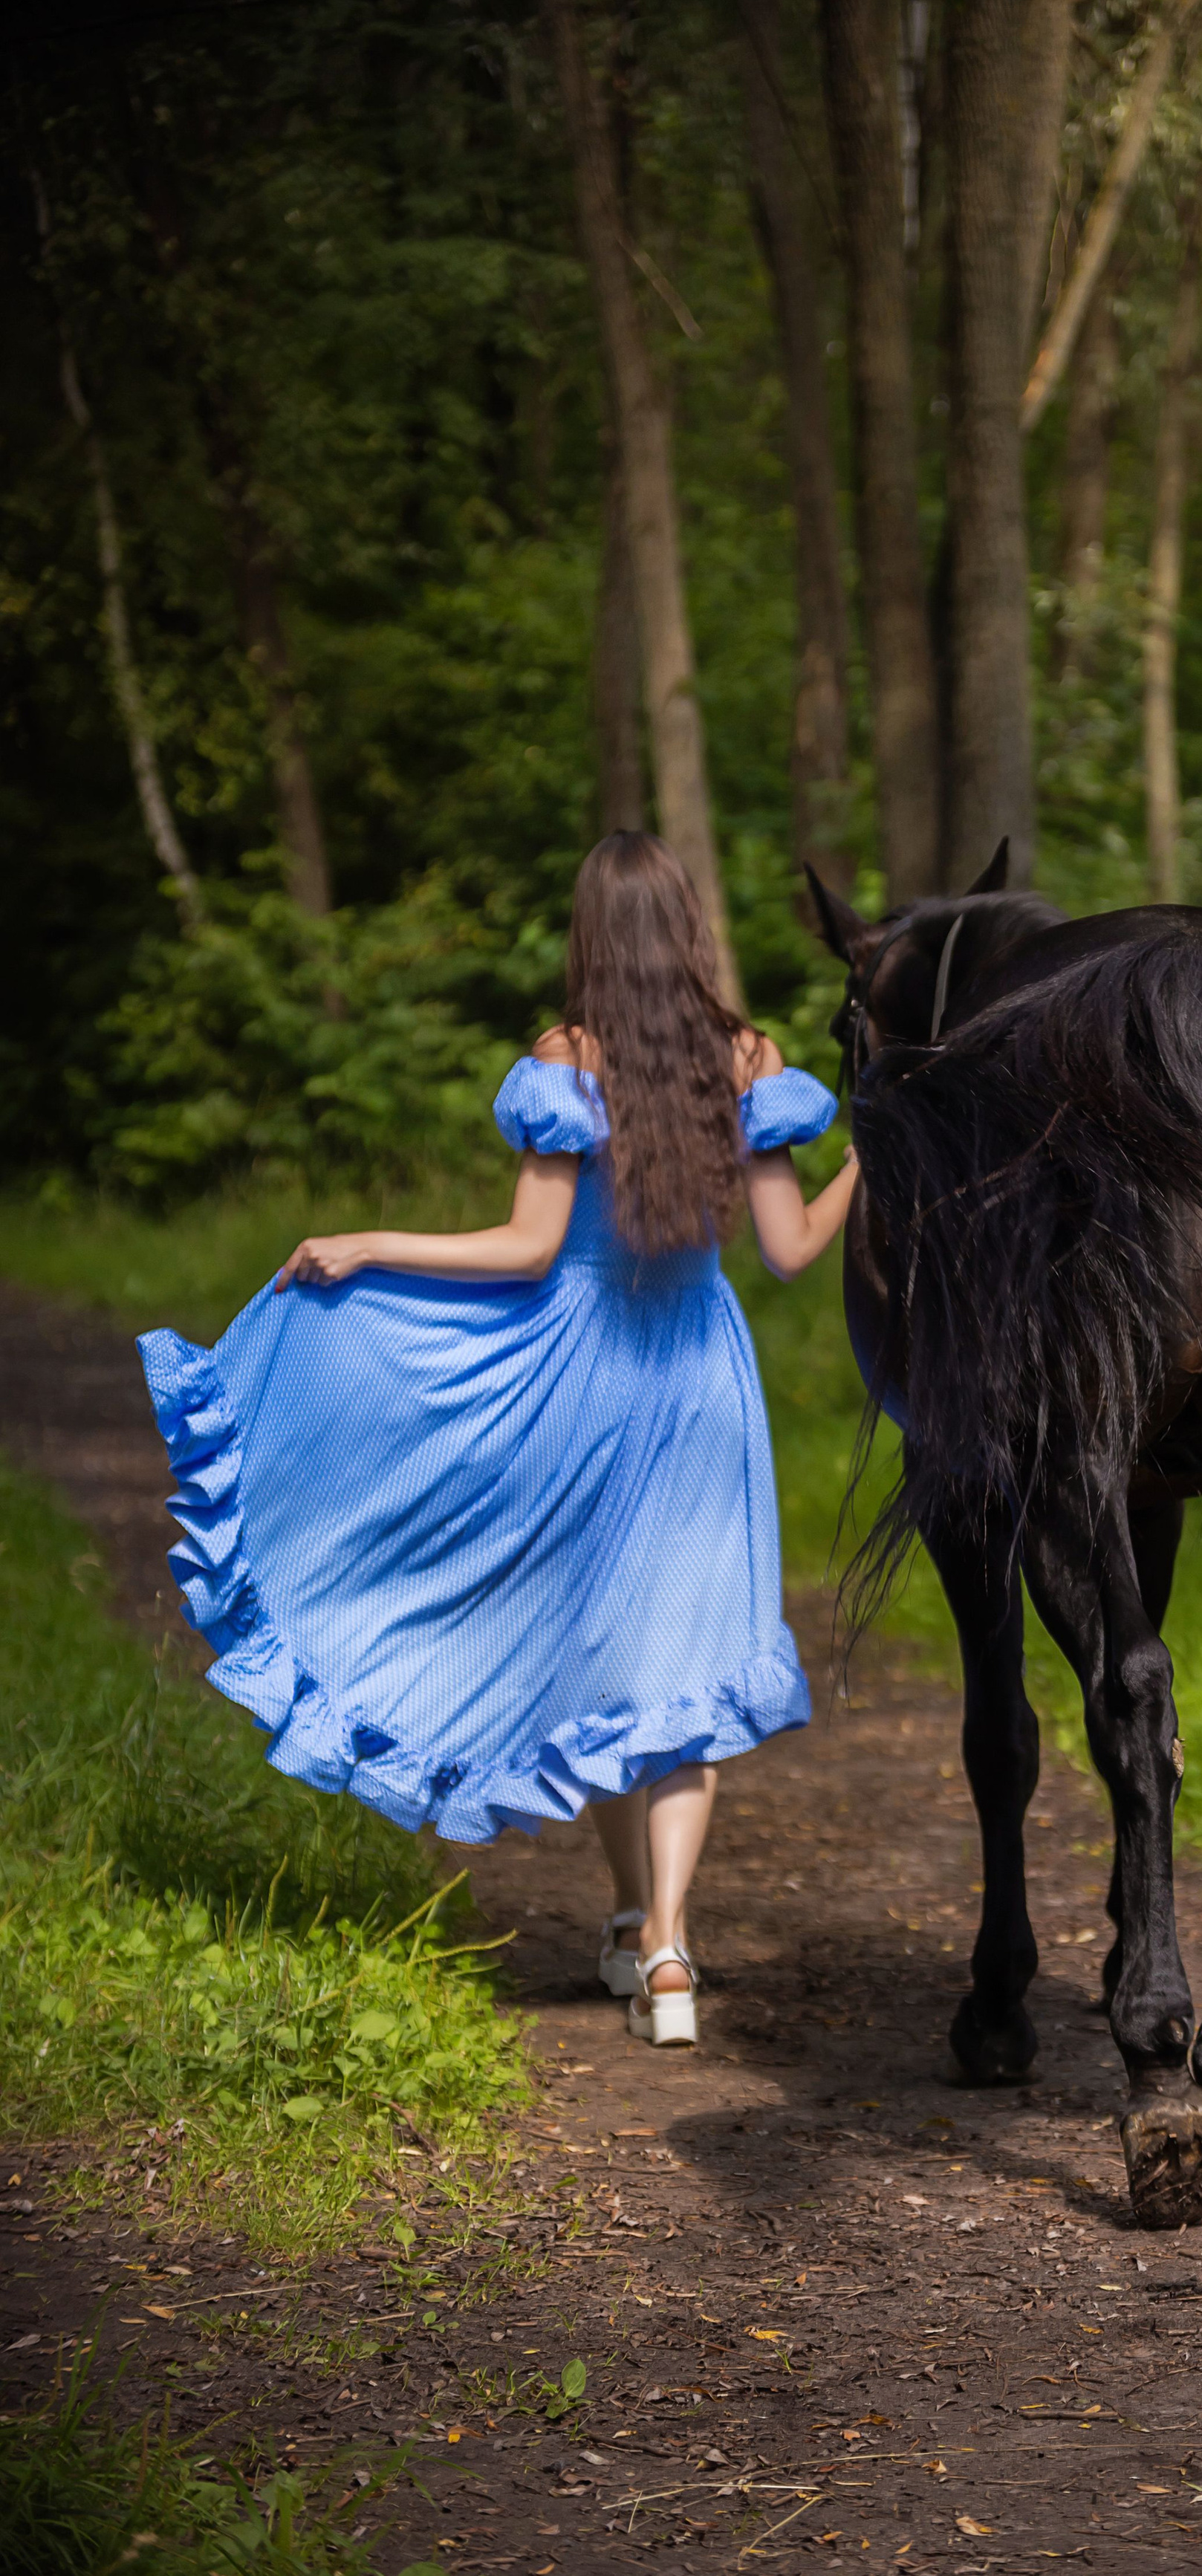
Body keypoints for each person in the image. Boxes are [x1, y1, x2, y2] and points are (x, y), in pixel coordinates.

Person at [139, 831, 857, 2049]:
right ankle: (665, 1941)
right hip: (697, 1381)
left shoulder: (562, 1062)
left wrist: (372, 1244)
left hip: (583, 1384)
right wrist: (873, 1163)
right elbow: (790, 1251)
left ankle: (636, 1914)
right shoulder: (749, 1061)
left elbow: (524, 1252)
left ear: (590, 935)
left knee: (609, 1661)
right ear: (688, 929)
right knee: (683, 1665)